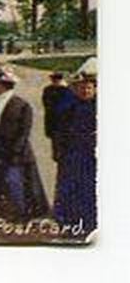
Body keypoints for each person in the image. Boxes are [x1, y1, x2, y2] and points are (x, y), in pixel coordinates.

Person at [0, 64, 50, 220]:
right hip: (0, 150)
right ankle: (8, 211)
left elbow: (24, 132)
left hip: (17, 152)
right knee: (4, 182)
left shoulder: (21, 105)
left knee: (17, 183)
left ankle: (22, 213)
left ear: (3, 84)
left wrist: (15, 151)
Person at [52, 58, 97, 235]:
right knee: (69, 188)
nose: (85, 90)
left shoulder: (98, 107)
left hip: (90, 155)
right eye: (81, 87)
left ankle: (89, 222)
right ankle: (68, 221)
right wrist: (58, 152)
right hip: (71, 154)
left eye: (89, 87)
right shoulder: (68, 108)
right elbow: (59, 133)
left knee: (89, 189)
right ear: (75, 89)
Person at [41, 71, 71, 163]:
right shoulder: (48, 90)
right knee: (58, 153)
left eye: (57, 79)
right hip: (54, 125)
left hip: (64, 126)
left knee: (63, 152)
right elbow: (46, 106)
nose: (55, 81)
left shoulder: (67, 91)